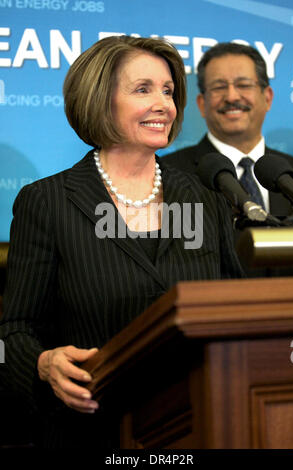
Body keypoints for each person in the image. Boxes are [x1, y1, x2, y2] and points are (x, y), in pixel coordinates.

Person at [0, 36, 243, 449]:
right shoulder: (49, 202)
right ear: (100, 99)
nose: (164, 104)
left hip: (202, 423)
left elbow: (235, 307)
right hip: (94, 431)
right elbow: (13, 331)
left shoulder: (205, 198)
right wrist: (42, 364)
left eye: (168, 91)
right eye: (143, 89)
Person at [163, 42, 293, 221]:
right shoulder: (167, 175)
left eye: (243, 84)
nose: (232, 96)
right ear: (202, 104)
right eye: (219, 87)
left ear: (267, 98)